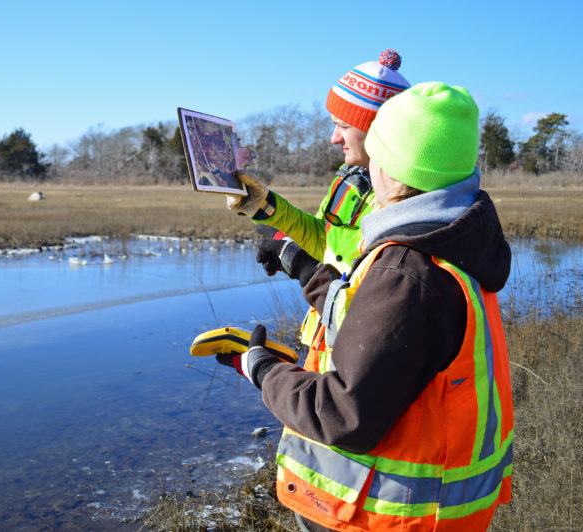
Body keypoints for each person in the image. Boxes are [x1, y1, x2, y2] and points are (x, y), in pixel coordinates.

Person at [218, 82, 514, 531]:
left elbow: (343, 412)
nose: (341, 143)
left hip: (389, 515)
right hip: (438, 509)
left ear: (396, 171)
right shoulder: (459, 239)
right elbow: (369, 320)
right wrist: (298, 259)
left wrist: (262, 370)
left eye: (376, 153)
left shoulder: (409, 270)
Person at [227, 50, 410, 347]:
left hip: (357, 357)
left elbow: (377, 312)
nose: (333, 138)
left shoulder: (404, 203)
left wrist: (304, 268)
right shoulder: (350, 178)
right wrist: (265, 206)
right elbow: (323, 239)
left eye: (344, 126)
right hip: (326, 342)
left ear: (377, 130)